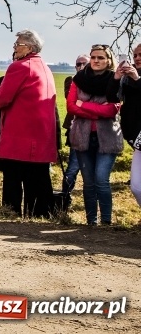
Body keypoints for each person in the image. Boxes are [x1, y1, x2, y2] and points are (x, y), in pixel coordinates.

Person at [0, 30, 58, 218]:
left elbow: (0, 99)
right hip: (41, 136)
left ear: (29, 47)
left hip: (20, 135)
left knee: (13, 180)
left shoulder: (20, 67)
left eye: (17, 44)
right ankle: (38, 215)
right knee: (37, 181)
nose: (14, 48)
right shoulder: (44, 66)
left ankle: (10, 214)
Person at [68, 44, 123, 225]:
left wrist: (84, 106)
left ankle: (106, 222)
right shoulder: (78, 79)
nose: (96, 61)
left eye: (101, 58)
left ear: (108, 61)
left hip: (107, 137)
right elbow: (71, 107)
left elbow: (111, 111)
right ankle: (91, 221)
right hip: (82, 136)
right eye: (93, 57)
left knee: (101, 180)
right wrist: (98, 110)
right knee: (89, 182)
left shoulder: (115, 80)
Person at [108, 43, 141, 208]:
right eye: (135, 55)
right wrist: (116, 78)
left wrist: (138, 80)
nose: (137, 58)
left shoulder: (135, 77)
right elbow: (112, 98)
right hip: (137, 138)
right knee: (136, 187)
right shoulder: (127, 78)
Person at [61, 53, 89, 210]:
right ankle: (64, 199)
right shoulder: (70, 81)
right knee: (72, 168)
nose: (81, 67)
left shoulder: (99, 81)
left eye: (84, 64)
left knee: (90, 173)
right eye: (78, 64)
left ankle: (90, 203)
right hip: (75, 129)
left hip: (95, 131)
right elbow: (72, 101)